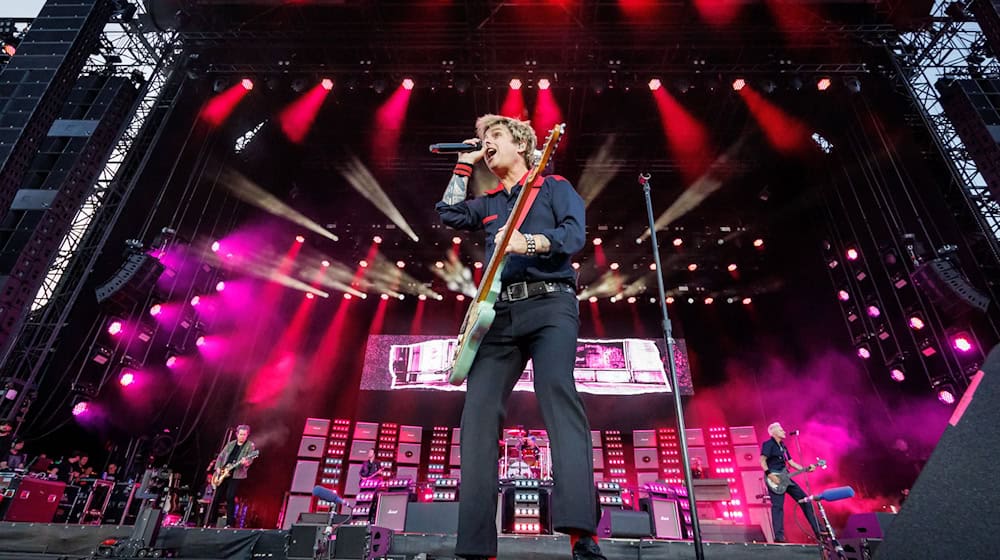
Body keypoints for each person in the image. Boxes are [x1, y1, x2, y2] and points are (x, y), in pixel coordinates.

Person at [436, 114, 604, 560]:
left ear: (524, 145)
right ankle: (475, 547)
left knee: (557, 393)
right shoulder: (489, 201)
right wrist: (465, 163)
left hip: (551, 305)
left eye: (495, 137)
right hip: (499, 315)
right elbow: (449, 212)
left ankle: (580, 535)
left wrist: (528, 244)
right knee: (476, 415)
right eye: (484, 139)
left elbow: (573, 234)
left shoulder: (554, 187)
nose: (488, 143)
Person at [760, 422, 822, 542]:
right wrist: (769, 475)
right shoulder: (768, 444)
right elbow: (762, 461)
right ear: (773, 432)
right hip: (775, 478)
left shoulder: (783, 446)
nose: (783, 431)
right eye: (780, 429)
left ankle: (818, 530)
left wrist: (806, 469)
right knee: (777, 507)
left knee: (805, 500)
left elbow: (791, 463)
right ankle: (779, 536)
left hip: (786, 478)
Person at [209, 425, 256, 527]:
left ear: (247, 435)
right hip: (223, 472)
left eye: (245, 435)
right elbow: (221, 457)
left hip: (236, 474)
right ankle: (211, 521)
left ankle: (230, 523)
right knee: (216, 497)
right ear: (237, 434)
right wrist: (218, 468)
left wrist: (245, 462)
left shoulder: (250, 446)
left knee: (230, 497)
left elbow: (250, 460)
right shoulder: (230, 444)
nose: (242, 436)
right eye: (241, 434)